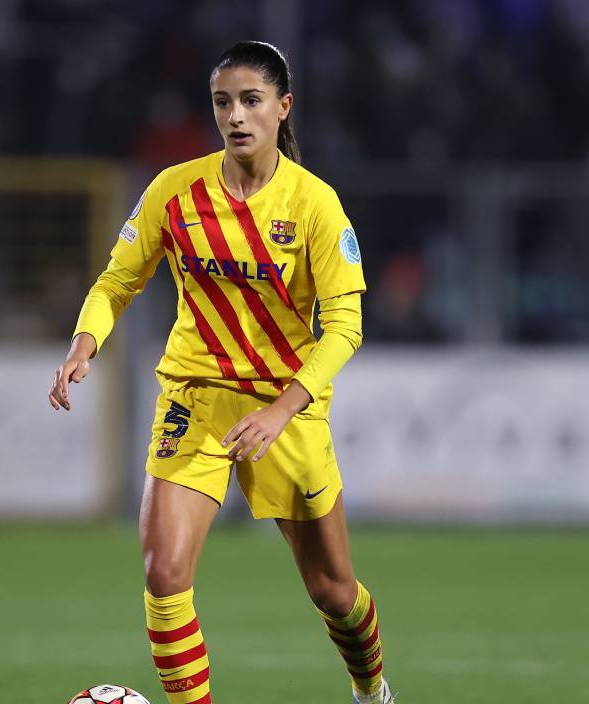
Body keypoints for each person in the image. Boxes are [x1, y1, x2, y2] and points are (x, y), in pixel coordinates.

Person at [51, 41, 394, 704]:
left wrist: (282, 408)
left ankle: (372, 688)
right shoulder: (174, 191)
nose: (235, 115)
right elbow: (118, 279)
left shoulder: (316, 205)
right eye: (222, 102)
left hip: (283, 406)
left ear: (282, 107)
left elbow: (345, 327)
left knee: (335, 591)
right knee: (164, 573)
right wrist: (83, 344)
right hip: (195, 394)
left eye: (251, 100)